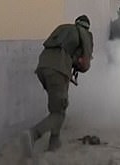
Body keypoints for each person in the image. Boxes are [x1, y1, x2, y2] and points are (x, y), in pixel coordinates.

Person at [23, 15, 94, 155]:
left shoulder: (63, 29)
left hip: (42, 67)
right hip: (58, 70)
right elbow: (85, 63)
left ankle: (54, 142)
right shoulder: (85, 34)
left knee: (58, 107)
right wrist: (78, 65)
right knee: (58, 112)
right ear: (86, 26)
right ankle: (33, 134)